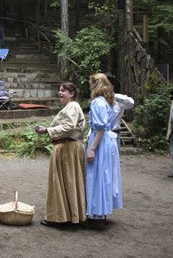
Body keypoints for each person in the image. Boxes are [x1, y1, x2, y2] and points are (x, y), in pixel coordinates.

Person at [34, 82, 86, 226]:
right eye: (59, 90)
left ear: (72, 93)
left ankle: (63, 217)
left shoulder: (73, 106)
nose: (60, 93)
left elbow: (69, 126)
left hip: (68, 147)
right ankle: (66, 215)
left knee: (66, 180)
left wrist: (47, 130)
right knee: (66, 181)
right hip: (66, 146)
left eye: (63, 91)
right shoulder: (70, 107)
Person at [86, 73, 122, 224]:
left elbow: (100, 128)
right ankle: (100, 211)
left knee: (97, 175)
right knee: (104, 174)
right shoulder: (108, 102)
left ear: (96, 84)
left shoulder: (98, 102)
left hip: (100, 140)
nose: (90, 86)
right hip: (107, 140)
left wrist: (92, 148)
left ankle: (97, 214)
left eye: (91, 83)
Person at [107, 76, 135, 149]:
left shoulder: (119, 100)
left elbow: (131, 103)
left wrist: (113, 96)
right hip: (101, 134)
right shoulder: (99, 101)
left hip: (114, 132)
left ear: (112, 86)